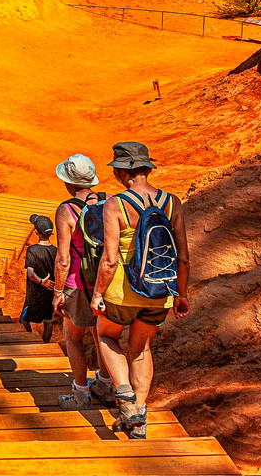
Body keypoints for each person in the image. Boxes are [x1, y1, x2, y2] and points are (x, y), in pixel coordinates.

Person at [90, 142, 191, 440]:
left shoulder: (115, 205)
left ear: (122, 172)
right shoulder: (172, 202)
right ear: (147, 168)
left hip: (123, 289)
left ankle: (124, 396)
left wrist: (97, 293)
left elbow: (109, 259)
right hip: (160, 290)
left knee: (106, 335)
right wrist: (181, 294)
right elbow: (183, 256)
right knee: (141, 347)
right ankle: (141, 415)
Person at [51, 153, 113, 412]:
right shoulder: (109, 201)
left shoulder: (66, 210)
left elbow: (63, 258)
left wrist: (57, 291)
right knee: (104, 335)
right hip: (105, 281)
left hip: (76, 283)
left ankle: (81, 392)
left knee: (73, 337)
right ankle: (107, 383)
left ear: (68, 183)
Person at [22, 215, 58, 343]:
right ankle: (45, 344)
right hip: (50, 292)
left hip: (35, 293)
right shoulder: (55, 250)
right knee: (47, 321)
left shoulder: (32, 250)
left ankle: (30, 339)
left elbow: (31, 273)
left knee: (24, 320)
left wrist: (41, 281)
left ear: (36, 232)